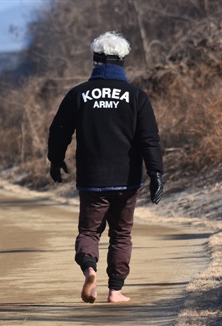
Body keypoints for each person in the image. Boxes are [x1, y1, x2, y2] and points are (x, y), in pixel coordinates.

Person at [47, 31, 164, 303]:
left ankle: (90, 269)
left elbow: (59, 131)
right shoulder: (136, 96)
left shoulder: (78, 94)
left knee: (89, 232)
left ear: (95, 60)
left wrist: (55, 159)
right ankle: (115, 290)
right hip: (127, 180)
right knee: (121, 235)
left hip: (91, 179)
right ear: (123, 61)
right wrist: (155, 172)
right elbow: (149, 139)